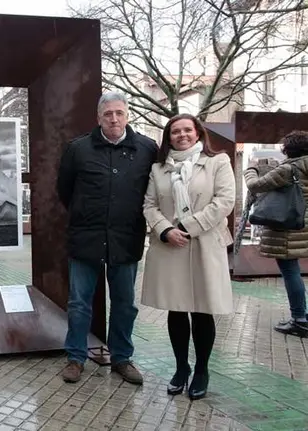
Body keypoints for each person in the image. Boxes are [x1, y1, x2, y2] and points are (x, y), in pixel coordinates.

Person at [56, 92, 158, 384]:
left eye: (119, 113)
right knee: (79, 303)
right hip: (85, 238)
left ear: (127, 115)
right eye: (107, 114)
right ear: (98, 117)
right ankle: (75, 357)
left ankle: (122, 358)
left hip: (126, 239)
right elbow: (65, 190)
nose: (114, 119)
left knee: (125, 303)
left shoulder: (146, 148)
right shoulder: (78, 149)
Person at [141, 113, 235, 401]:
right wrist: (166, 229)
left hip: (205, 244)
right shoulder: (159, 169)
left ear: (198, 133)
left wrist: (187, 226)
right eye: (175, 132)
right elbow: (149, 204)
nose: (181, 135)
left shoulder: (218, 161)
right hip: (171, 246)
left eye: (187, 130)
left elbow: (225, 201)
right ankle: (182, 367)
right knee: (177, 308)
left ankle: (202, 370)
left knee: (202, 309)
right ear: (168, 137)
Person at [244, 130, 308, 338]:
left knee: (291, 271)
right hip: (304, 225)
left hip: (289, 226)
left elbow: (255, 185)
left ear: (287, 149)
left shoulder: (289, 169)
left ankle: (299, 319)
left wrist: (251, 169)